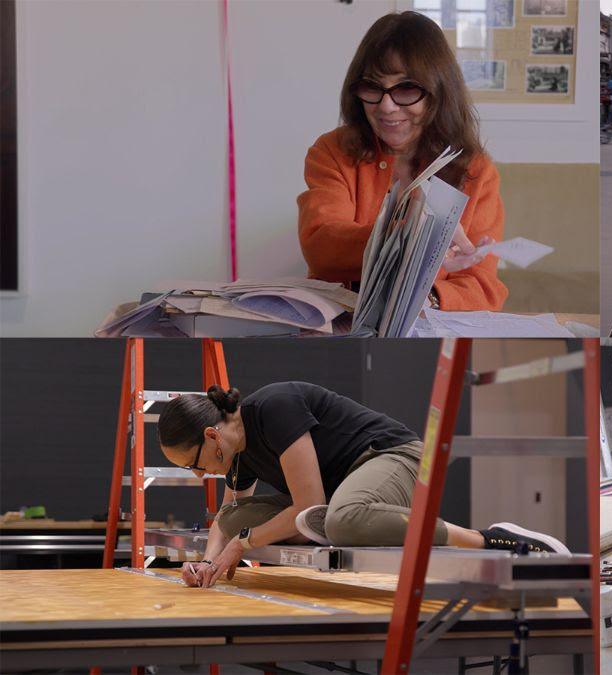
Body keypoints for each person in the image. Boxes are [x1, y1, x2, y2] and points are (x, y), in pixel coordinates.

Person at [159, 383, 568, 588]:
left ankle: (494, 539)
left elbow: (309, 503)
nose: (198, 475)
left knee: (340, 519)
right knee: (237, 517)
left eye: (194, 465)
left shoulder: (272, 408)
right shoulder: (236, 454)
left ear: (212, 436)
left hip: (396, 457)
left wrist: (244, 544)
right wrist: (208, 564)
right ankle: (341, 524)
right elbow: (228, 521)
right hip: (338, 495)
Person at [297, 12, 506, 311]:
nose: (386, 106)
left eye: (406, 88)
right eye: (372, 86)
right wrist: (410, 233)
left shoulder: (476, 170)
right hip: (339, 323)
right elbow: (321, 247)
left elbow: (483, 286)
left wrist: (427, 300)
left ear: (438, 93)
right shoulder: (332, 150)